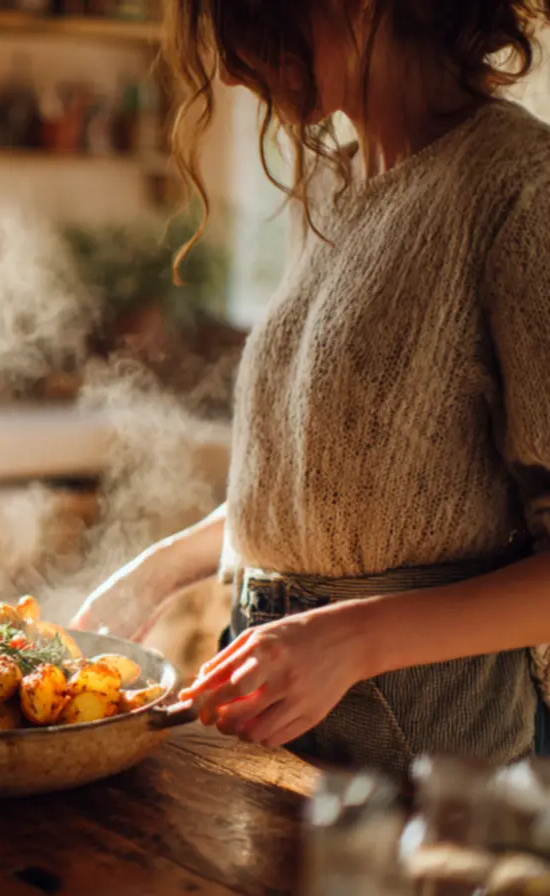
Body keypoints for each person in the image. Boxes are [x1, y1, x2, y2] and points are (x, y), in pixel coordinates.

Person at [71, 0, 550, 774]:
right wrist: (158, 573)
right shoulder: (333, 188)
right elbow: (328, 490)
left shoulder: (522, 192)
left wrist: (353, 639)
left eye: (247, 20)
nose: (228, 69)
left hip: (442, 770)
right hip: (269, 722)